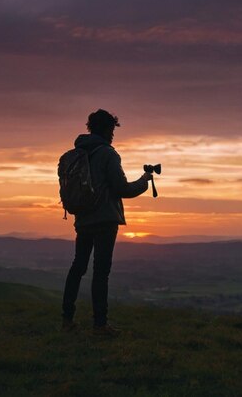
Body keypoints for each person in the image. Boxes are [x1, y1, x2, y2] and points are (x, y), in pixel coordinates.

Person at [61, 109, 152, 336]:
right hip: (104, 220)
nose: (113, 135)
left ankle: (67, 319)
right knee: (101, 272)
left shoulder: (77, 153)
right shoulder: (108, 154)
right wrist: (144, 182)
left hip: (82, 219)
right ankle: (100, 325)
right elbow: (122, 189)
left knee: (78, 267)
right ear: (106, 129)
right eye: (112, 130)